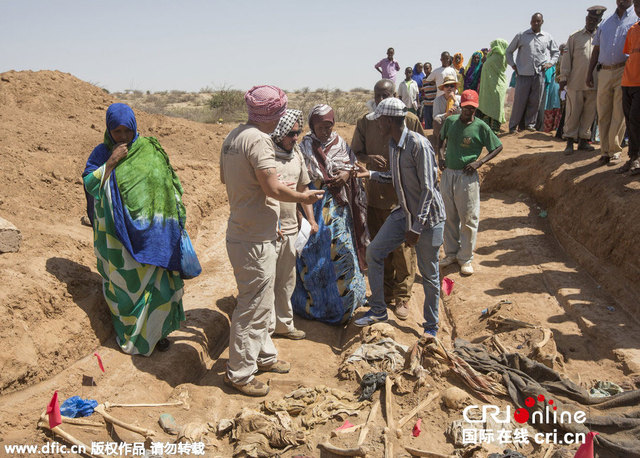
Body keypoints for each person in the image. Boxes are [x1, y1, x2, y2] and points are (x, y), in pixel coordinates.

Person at [220, 86, 324, 397]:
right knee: (252, 306)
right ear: (274, 114)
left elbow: (228, 180)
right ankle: (239, 373)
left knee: (261, 302)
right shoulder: (260, 141)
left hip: (244, 230)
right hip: (253, 238)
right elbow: (272, 188)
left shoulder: (233, 137)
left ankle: (263, 357)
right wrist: (303, 197)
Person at [83, 103, 187, 356]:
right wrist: (110, 163)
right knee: (124, 287)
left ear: (134, 127)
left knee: (156, 283)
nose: (122, 137)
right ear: (109, 130)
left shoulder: (149, 149)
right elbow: (89, 183)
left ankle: (158, 334)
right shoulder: (101, 153)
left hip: (152, 233)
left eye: (127, 131)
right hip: (116, 238)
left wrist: (171, 220)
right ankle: (131, 337)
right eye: (116, 131)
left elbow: (167, 184)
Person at [353, 98, 446, 337]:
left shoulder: (418, 145)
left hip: (428, 220)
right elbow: (395, 180)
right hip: (404, 213)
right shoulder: (393, 145)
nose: (377, 126)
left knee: (429, 273)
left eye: (379, 122)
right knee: (374, 252)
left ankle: (431, 326)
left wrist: (416, 227)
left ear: (388, 121)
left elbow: (428, 189)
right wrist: (371, 173)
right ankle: (378, 310)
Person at [351, 79, 424, 320]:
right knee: (379, 248)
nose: (381, 100)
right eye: (378, 96)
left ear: (396, 96)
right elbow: (357, 153)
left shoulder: (410, 121)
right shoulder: (366, 121)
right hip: (375, 195)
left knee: (403, 250)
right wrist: (369, 158)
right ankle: (385, 293)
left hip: (401, 199)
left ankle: (403, 296)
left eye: (386, 95)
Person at [293, 104, 368, 325]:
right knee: (314, 256)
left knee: (342, 253)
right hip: (313, 205)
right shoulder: (304, 146)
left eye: (329, 126)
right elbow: (300, 180)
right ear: (311, 126)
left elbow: (354, 167)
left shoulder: (340, 144)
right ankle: (317, 305)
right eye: (320, 127)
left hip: (339, 208)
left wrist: (346, 174)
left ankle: (346, 304)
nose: (325, 131)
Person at [438, 90, 503, 275]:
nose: (468, 111)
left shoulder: (481, 127)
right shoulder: (451, 122)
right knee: (449, 216)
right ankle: (450, 253)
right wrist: (440, 156)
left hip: (467, 177)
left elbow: (498, 146)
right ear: (461, 106)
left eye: (472, 108)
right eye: (466, 107)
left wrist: (479, 162)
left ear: (476, 108)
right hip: (449, 174)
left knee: (468, 218)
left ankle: (465, 257)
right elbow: (441, 138)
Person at [269, 109, 318, 341]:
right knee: (266, 281)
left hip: (290, 229)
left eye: (298, 133)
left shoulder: (296, 154)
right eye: (291, 134)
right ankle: (265, 330)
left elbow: (303, 190)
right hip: (268, 230)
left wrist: (310, 219)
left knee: (287, 280)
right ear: (279, 133)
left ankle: (284, 325)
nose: (295, 138)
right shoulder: (266, 156)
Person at [587, 0, 638, 165]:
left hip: (625, 71)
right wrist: (589, 73)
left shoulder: (635, 20)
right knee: (603, 113)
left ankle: (615, 151)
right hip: (604, 72)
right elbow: (596, 48)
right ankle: (604, 151)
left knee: (619, 113)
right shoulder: (606, 22)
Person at [560, 7, 605, 154]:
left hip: (595, 83)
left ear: (599, 21)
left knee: (589, 113)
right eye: (589, 19)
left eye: (595, 20)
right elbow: (566, 59)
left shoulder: (602, 36)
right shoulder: (575, 37)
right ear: (586, 19)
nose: (592, 22)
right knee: (573, 113)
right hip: (576, 82)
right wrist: (564, 78)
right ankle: (569, 141)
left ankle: (584, 141)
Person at [507, 13, 560, 133]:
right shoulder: (522, 35)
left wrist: (550, 63)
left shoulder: (547, 37)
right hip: (523, 74)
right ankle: (512, 127)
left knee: (535, 101)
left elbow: (555, 52)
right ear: (530, 22)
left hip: (539, 74)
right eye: (533, 21)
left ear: (542, 22)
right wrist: (513, 65)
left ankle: (530, 125)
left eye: (538, 21)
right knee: (519, 102)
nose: (535, 23)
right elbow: (509, 51)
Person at [620, 0, 640, 174]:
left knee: (635, 120)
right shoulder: (633, 29)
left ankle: (636, 157)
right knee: (629, 121)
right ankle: (633, 158)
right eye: (637, 5)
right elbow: (629, 54)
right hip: (627, 82)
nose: (639, 8)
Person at [477, 39, 510, 132]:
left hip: (495, 86)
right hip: (494, 86)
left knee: (492, 107)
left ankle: (493, 130)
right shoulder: (501, 56)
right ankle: (491, 129)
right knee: (493, 106)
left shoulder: (497, 56)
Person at [432, 74, 462, 151]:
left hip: (457, 124)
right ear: (443, 88)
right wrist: (446, 115)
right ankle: (441, 145)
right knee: (436, 121)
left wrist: (455, 101)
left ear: (455, 88)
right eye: (447, 86)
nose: (449, 88)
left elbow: (463, 114)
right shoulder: (437, 100)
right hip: (444, 125)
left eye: (452, 86)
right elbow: (435, 117)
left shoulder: (459, 98)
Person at [421, 62, 437, 129]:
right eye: (424, 69)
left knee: (435, 123)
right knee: (428, 124)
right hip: (427, 105)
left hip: (434, 104)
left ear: (431, 68)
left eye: (427, 68)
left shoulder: (435, 78)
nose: (426, 70)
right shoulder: (424, 80)